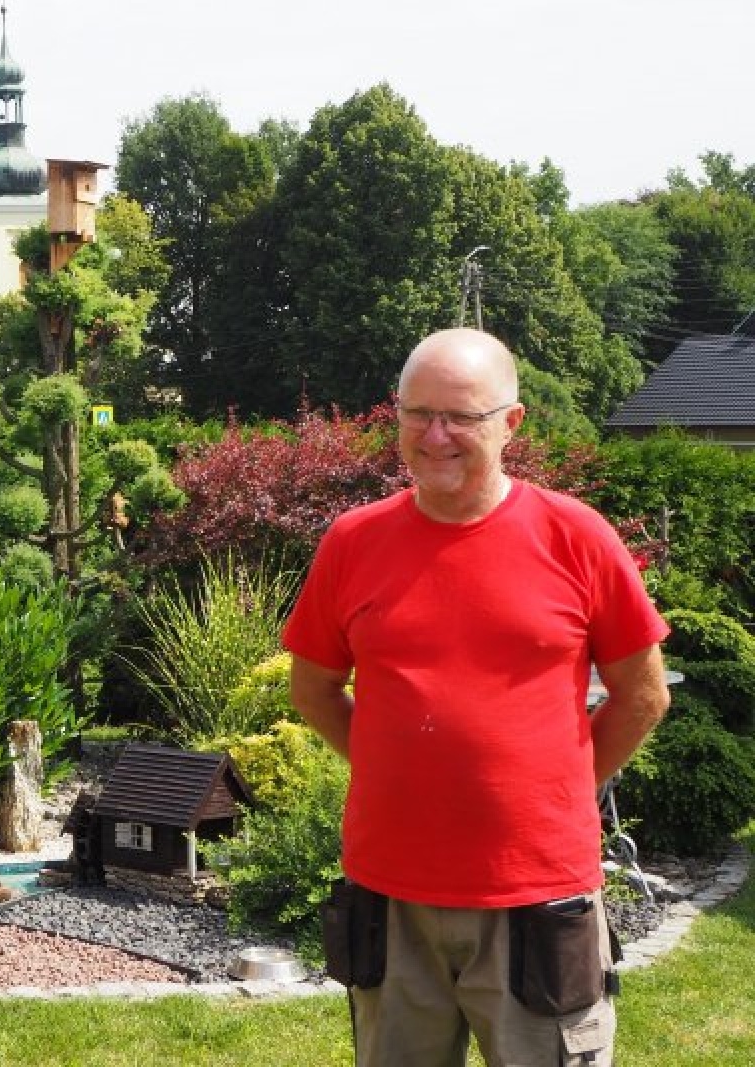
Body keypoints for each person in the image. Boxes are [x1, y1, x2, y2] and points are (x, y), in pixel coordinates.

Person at [283, 328, 670, 1067]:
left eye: (461, 416)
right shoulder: (353, 542)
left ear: (511, 422)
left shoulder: (577, 537)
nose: (435, 436)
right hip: (392, 893)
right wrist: (396, 771)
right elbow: (315, 690)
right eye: (417, 413)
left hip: (536, 893)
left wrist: (554, 791)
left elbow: (643, 697)